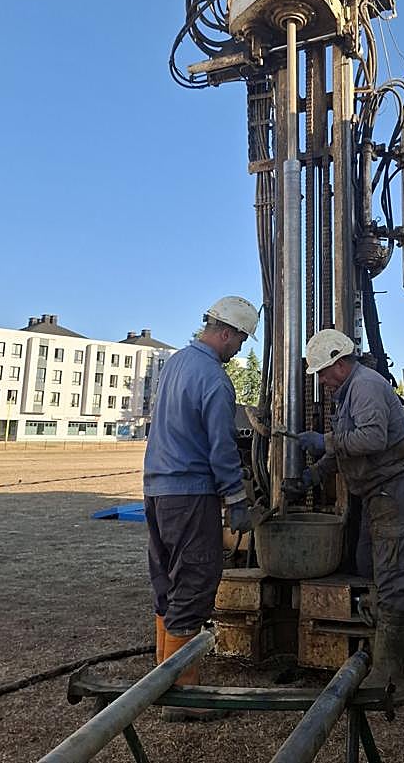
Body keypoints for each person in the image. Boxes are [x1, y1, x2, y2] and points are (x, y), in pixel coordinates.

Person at [295, 329, 404, 695]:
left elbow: (371, 439)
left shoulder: (366, 386)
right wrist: (312, 476)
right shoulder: (346, 392)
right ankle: (377, 653)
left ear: (340, 363)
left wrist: (324, 441)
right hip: (378, 493)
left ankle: (389, 676)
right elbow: (345, 449)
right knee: (368, 564)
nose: (321, 380)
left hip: (396, 491)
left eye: (323, 372)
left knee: (390, 580)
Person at [143, 296, 258, 719]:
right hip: (190, 494)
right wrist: (236, 497)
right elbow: (221, 447)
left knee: (167, 583)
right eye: (241, 340)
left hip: (157, 490)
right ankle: (183, 698)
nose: (240, 349)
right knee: (194, 581)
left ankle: (163, 680)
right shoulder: (214, 378)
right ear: (225, 333)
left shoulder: (175, 364)